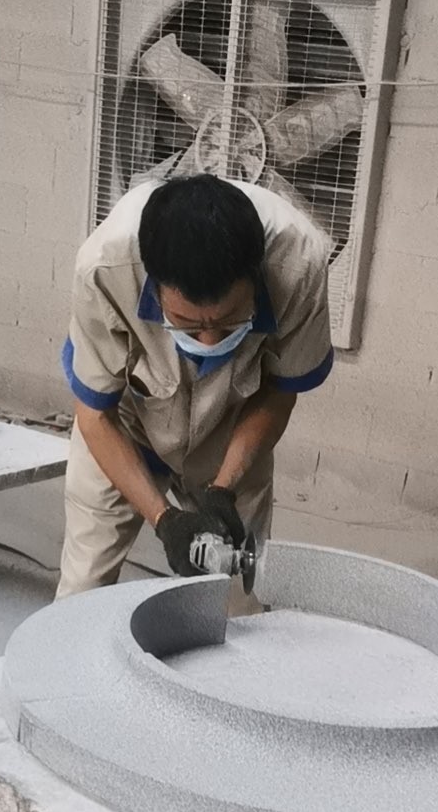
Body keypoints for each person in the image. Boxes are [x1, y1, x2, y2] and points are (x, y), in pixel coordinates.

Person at [57, 173, 334, 596]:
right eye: (187, 324)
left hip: (234, 429)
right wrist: (165, 520)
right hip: (125, 427)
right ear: (154, 284)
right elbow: (95, 415)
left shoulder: (299, 264)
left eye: (229, 321)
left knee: (239, 594)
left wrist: (223, 489)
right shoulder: (104, 267)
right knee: (84, 584)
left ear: (256, 279)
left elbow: (280, 393)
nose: (208, 340)